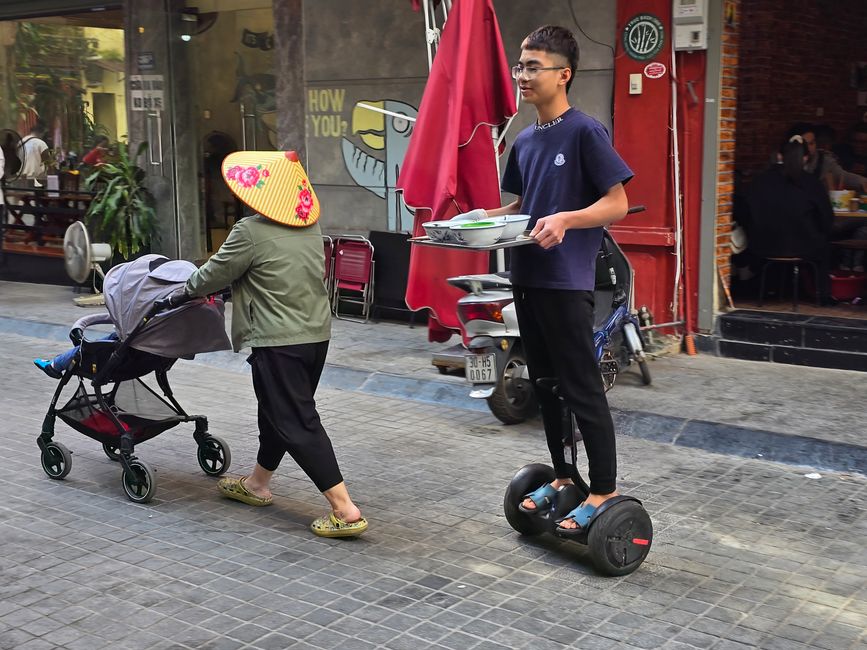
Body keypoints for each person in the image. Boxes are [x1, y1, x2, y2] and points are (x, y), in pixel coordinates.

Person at [472, 26, 633, 533]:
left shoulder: (585, 131)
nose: (522, 75)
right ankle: (565, 477)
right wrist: (475, 221)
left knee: (581, 388)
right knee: (545, 385)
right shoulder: (524, 140)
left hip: (567, 282)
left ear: (563, 74)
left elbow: (618, 203)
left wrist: (566, 219)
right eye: (519, 65)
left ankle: (603, 488)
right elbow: (521, 207)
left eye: (532, 66)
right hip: (527, 276)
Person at [181, 150, 367, 538]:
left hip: (279, 340)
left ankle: (344, 508)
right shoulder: (310, 227)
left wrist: (185, 289)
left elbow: (214, 274)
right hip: (315, 336)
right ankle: (257, 484)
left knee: (297, 420)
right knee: (277, 411)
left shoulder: (249, 231)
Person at [744, 136, 835, 303]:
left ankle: (768, 288)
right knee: (825, 246)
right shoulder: (812, 184)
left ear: (779, 156)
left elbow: (747, 211)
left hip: (762, 245)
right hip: (804, 247)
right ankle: (822, 295)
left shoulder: (759, 181)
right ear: (806, 158)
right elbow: (827, 219)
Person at [788, 122, 867, 193]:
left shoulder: (823, 160)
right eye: (804, 143)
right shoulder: (783, 161)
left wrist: (863, 182)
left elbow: (843, 175)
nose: (808, 148)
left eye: (811, 143)